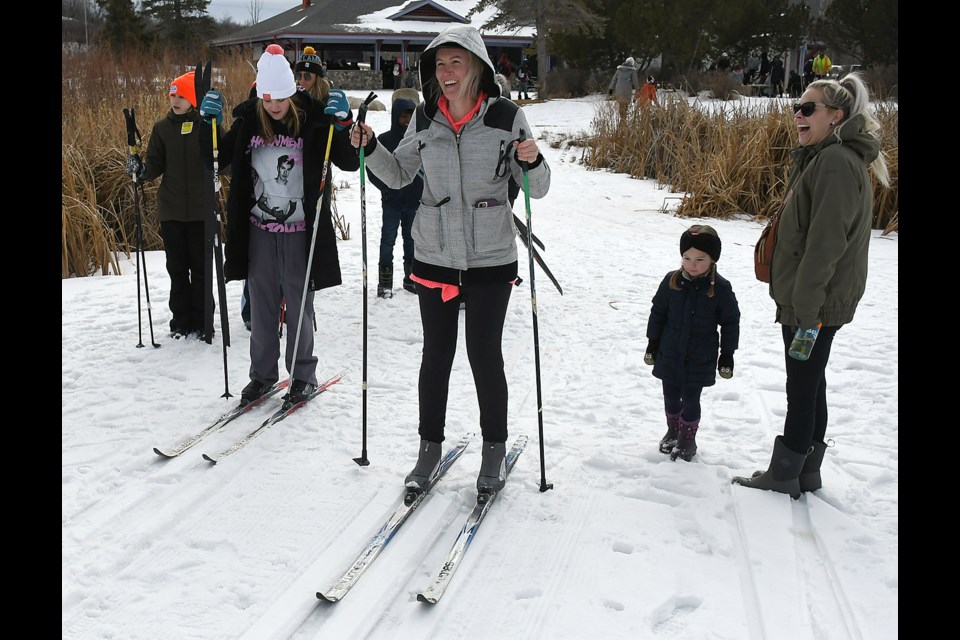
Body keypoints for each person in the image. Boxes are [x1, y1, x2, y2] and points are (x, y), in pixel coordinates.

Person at [349, 24, 550, 495]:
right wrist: (371, 146)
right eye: (440, 64)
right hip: (435, 255)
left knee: (484, 355)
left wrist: (533, 159)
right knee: (435, 357)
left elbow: (535, 189)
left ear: (476, 66)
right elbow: (399, 176)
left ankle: (493, 451)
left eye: (456, 62)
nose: (446, 72)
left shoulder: (507, 117)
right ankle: (428, 449)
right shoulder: (423, 120)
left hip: (491, 259)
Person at [732, 73, 890, 497]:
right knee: (810, 380)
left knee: (801, 384)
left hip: (814, 303)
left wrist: (805, 310)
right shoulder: (824, 157)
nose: (797, 116)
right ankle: (806, 470)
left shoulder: (836, 161)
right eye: (796, 108)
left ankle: (785, 473)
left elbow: (826, 244)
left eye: (808, 109)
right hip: (816, 300)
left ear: (836, 116)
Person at [197, 44, 360, 408]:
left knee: (300, 304)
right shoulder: (246, 123)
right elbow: (214, 160)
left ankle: (302, 375)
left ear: (292, 91)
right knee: (263, 305)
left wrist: (345, 123)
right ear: (259, 92)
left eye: (282, 98)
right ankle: (262, 376)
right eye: (268, 98)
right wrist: (206, 124)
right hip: (258, 231)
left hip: (302, 231)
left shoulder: (315, 120)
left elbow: (349, 161)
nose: (274, 105)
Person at [125, 70, 222, 340]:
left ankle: (204, 321)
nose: (175, 100)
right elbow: (154, 165)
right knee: (177, 269)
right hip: (172, 211)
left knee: (202, 270)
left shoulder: (207, 125)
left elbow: (221, 158)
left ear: (193, 98)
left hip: (202, 211)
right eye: (172, 95)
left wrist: (216, 127)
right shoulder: (162, 128)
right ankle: (181, 320)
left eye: (181, 95)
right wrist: (139, 169)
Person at [643, 225, 740, 462]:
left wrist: (727, 354)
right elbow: (658, 313)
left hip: (700, 356)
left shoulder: (721, 288)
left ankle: (688, 439)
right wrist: (652, 343)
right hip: (670, 353)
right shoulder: (671, 281)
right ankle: (673, 431)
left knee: (690, 399)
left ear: (712, 259)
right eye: (686, 258)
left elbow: (730, 322)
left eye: (700, 258)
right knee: (670, 396)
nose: (692, 264)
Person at [366, 96, 423, 298]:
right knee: (387, 241)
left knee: (411, 240)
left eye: (411, 116)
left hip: (414, 202)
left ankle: (411, 279)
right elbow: (372, 170)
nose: (407, 120)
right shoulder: (384, 140)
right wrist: (386, 188)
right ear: (395, 116)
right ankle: (385, 283)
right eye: (403, 116)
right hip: (392, 202)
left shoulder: (419, 140)